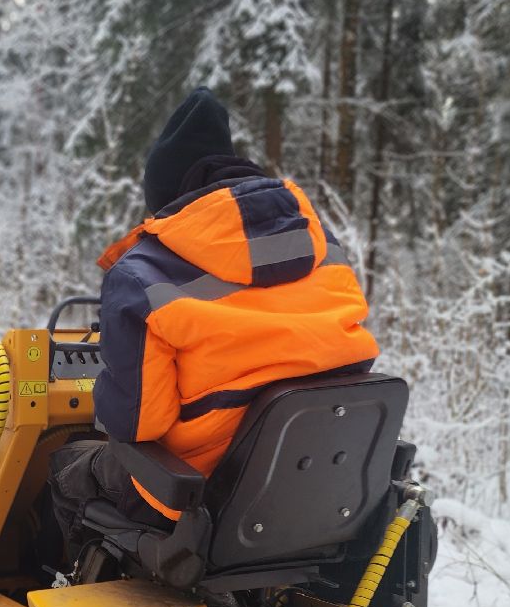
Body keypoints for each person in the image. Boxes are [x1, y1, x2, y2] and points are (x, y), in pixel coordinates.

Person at [50, 86, 378, 553]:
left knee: (66, 468)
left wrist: (107, 389)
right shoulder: (325, 248)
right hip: (326, 489)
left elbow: (138, 423)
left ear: (165, 196)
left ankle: (71, 593)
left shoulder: (143, 275)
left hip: (202, 500)